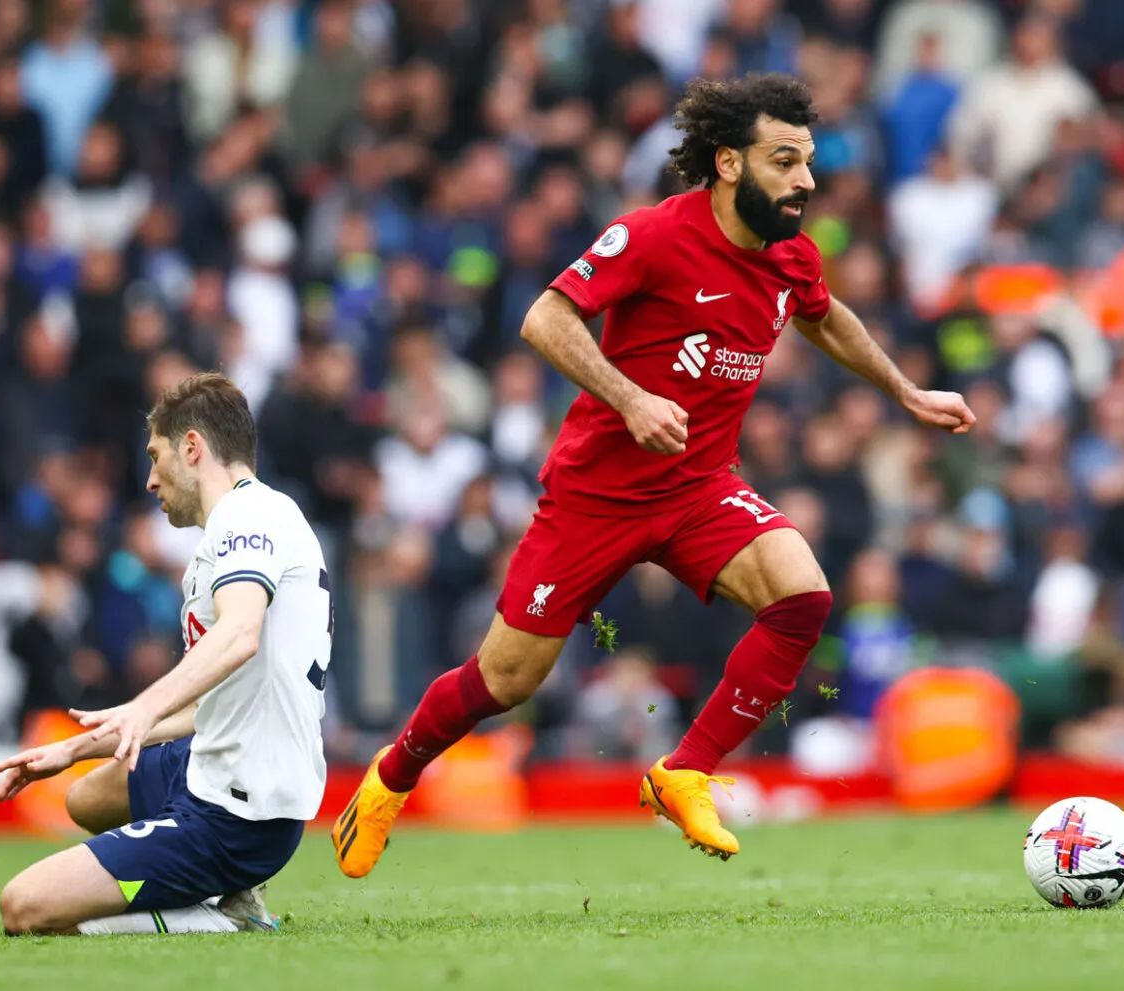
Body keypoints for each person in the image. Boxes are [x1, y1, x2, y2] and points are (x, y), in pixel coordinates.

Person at [332, 73, 974, 877]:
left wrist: (905, 391)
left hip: (700, 487)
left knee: (803, 597)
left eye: (808, 162)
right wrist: (630, 398)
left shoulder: (791, 254)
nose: (807, 180)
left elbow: (824, 315)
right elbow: (544, 318)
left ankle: (684, 772)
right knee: (506, 679)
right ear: (729, 163)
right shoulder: (653, 235)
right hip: (596, 497)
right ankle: (390, 778)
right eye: (785, 161)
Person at [0, 373, 333, 935]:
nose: (149, 479)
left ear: (192, 447)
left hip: (243, 809)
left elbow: (241, 632)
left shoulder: (249, 518)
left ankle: (224, 916)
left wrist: (142, 708)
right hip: (224, 760)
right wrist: (73, 748)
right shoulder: (239, 527)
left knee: (24, 906)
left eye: (155, 456)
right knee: (88, 797)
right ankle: (215, 886)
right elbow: (204, 705)